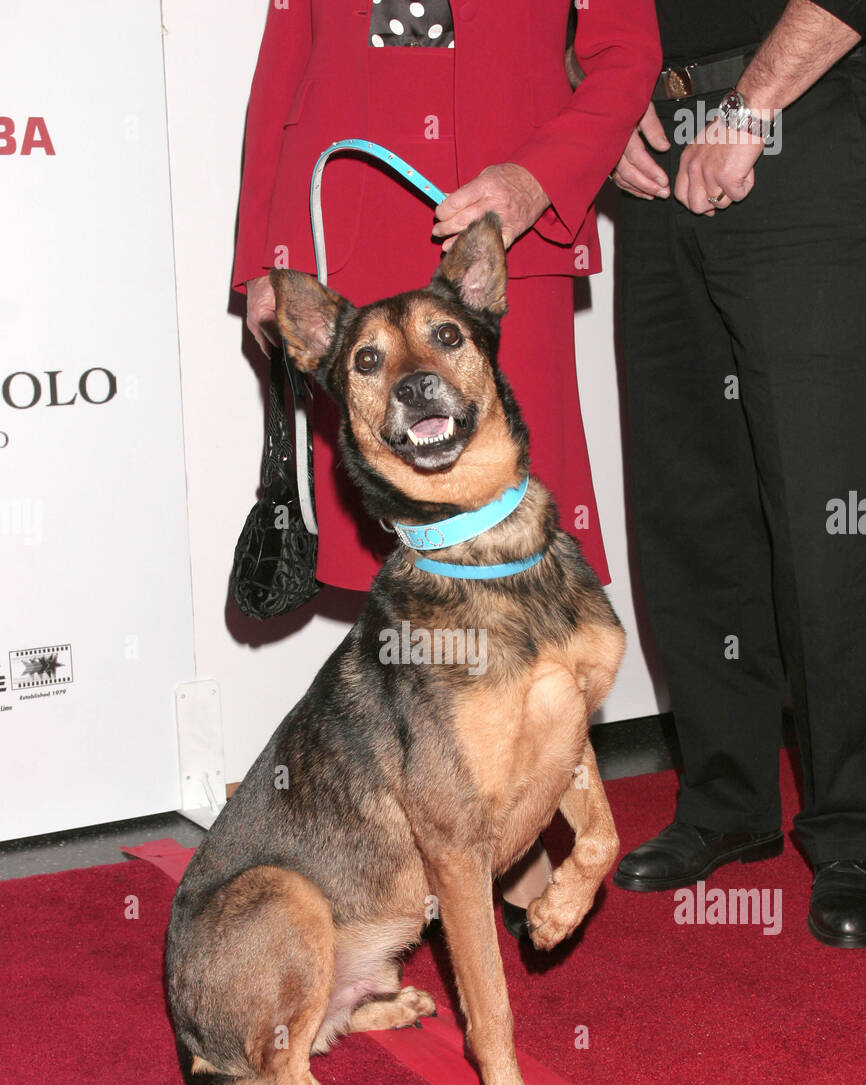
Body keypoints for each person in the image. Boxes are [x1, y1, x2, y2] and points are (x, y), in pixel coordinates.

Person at [232, 0, 660, 921]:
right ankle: (432, 833)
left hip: (494, 227)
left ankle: (518, 829)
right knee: (410, 570)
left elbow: (629, 51)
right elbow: (284, 64)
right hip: (347, 223)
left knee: (519, 544)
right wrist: (261, 253)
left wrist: (539, 178)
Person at [612, 0, 866, 946]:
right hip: (657, 143)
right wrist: (601, 100)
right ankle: (729, 798)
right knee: (690, 492)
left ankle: (856, 827)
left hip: (802, 118)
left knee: (826, 504)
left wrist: (753, 107)